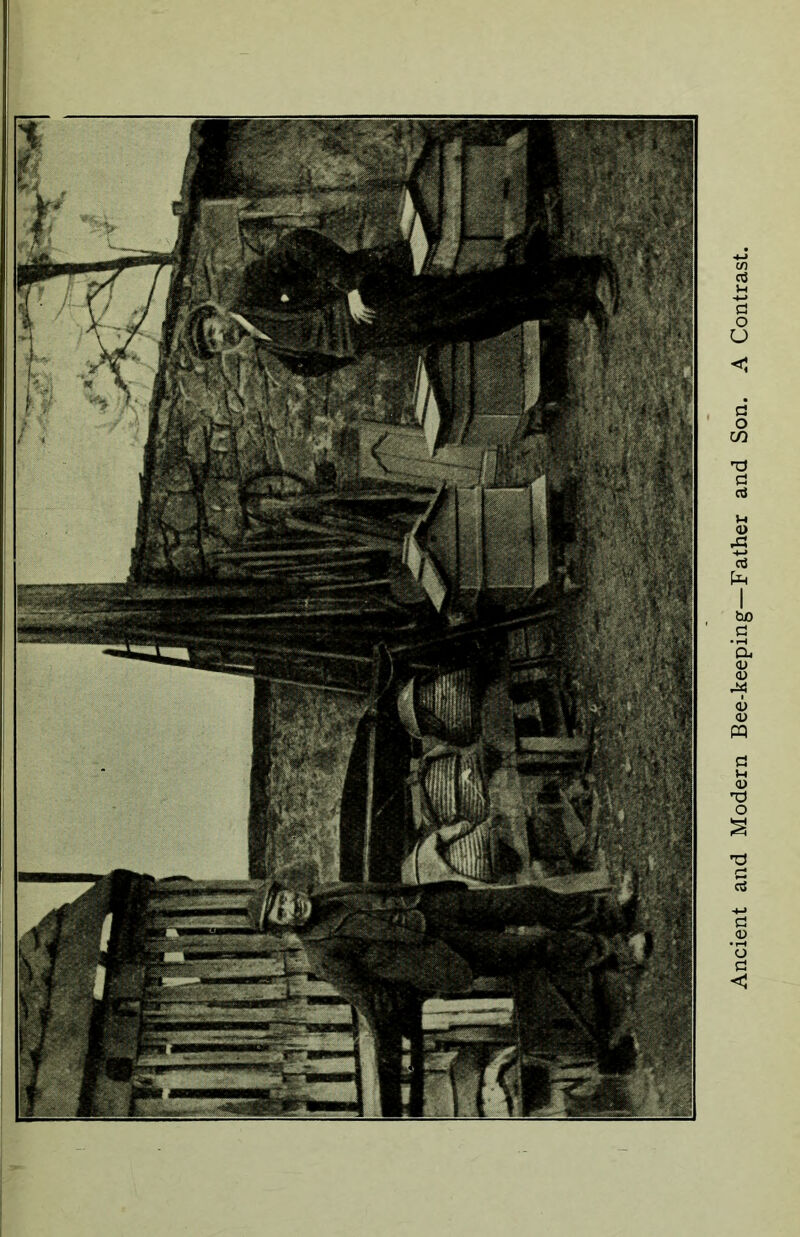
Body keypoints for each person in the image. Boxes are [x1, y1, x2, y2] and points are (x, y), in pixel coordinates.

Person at [246, 867, 648, 1035]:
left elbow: (387, 895)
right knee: (530, 948)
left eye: (283, 897)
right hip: (441, 951)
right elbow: (376, 1006)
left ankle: (611, 912)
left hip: (433, 908)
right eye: (281, 913)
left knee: (525, 898)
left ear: (289, 888)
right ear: (283, 928)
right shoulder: (324, 958)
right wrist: (421, 981)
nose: (290, 905)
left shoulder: (325, 891)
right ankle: (619, 955)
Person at [185, 227, 619, 377]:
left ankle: (584, 272)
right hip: (381, 334)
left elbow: (299, 245)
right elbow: (313, 364)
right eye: (215, 344)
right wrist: (358, 349)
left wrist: (350, 286)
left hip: (376, 299)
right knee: (477, 324)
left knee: (475, 294)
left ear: (216, 311)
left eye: (212, 328)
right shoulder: (269, 347)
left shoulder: (252, 287)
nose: (221, 336)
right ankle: (573, 304)